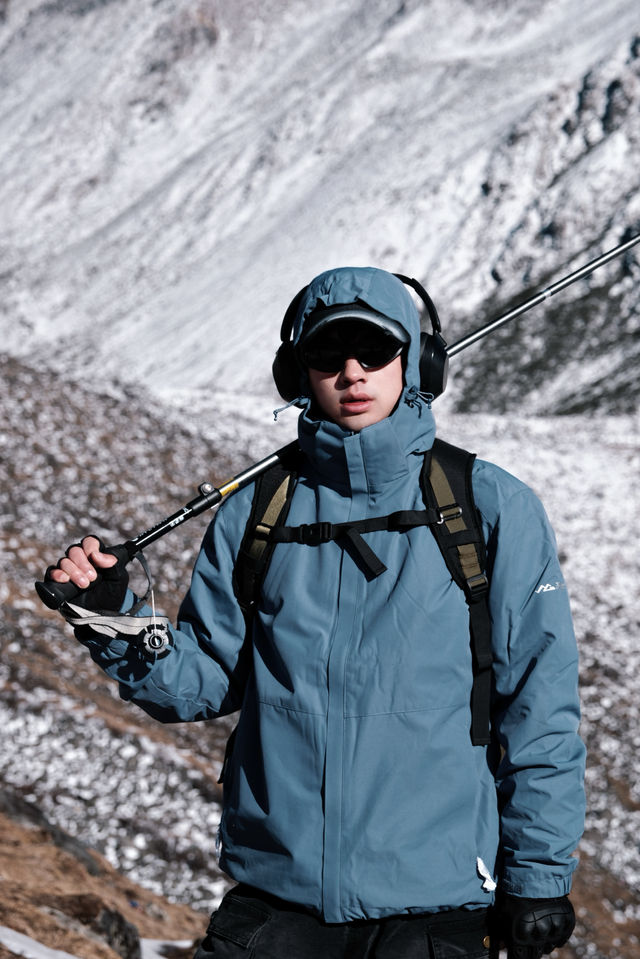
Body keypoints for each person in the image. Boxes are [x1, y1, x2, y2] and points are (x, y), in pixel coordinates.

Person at [44, 267, 586, 959]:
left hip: (440, 906)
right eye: (328, 354)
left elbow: (541, 706)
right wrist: (112, 613)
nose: (352, 371)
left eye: (375, 349)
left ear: (417, 362)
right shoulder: (255, 513)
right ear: (295, 372)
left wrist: (538, 876)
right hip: (276, 901)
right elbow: (205, 678)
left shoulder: (491, 507)